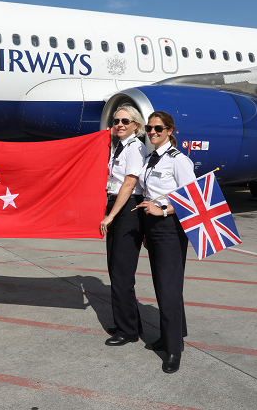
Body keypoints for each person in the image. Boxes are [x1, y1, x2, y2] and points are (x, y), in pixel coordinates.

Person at [137, 111, 196, 374]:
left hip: (170, 228)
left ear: (170, 130)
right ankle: (172, 334)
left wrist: (163, 211)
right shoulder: (151, 159)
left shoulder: (178, 161)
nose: (152, 132)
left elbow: (192, 198)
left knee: (168, 288)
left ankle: (174, 350)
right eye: (149, 128)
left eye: (158, 129)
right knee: (164, 286)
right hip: (154, 227)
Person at [99, 104, 147, 346]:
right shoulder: (119, 146)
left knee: (122, 274)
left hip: (127, 209)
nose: (119, 124)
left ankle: (128, 331)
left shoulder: (136, 148)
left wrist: (111, 216)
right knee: (116, 270)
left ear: (136, 125)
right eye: (116, 121)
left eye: (125, 121)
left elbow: (129, 183)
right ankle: (128, 322)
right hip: (116, 205)